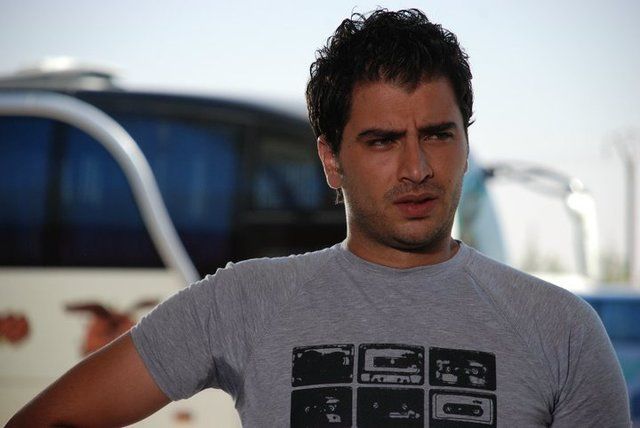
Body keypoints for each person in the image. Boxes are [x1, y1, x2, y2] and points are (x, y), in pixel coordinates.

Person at [7, 8, 630, 428]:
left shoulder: (562, 331)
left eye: (438, 135)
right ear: (332, 160)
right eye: (383, 141)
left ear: (466, 144)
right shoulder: (243, 301)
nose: (417, 168)